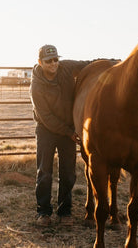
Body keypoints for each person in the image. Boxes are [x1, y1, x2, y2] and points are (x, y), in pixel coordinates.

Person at [30, 44, 91, 227]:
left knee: (68, 172)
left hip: (68, 130)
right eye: (49, 61)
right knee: (44, 171)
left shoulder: (66, 68)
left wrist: (112, 63)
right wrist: (69, 132)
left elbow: (87, 65)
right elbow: (46, 117)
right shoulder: (36, 86)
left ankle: (65, 211)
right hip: (47, 130)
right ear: (40, 62)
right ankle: (43, 212)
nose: (54, 64)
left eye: (56, 59)